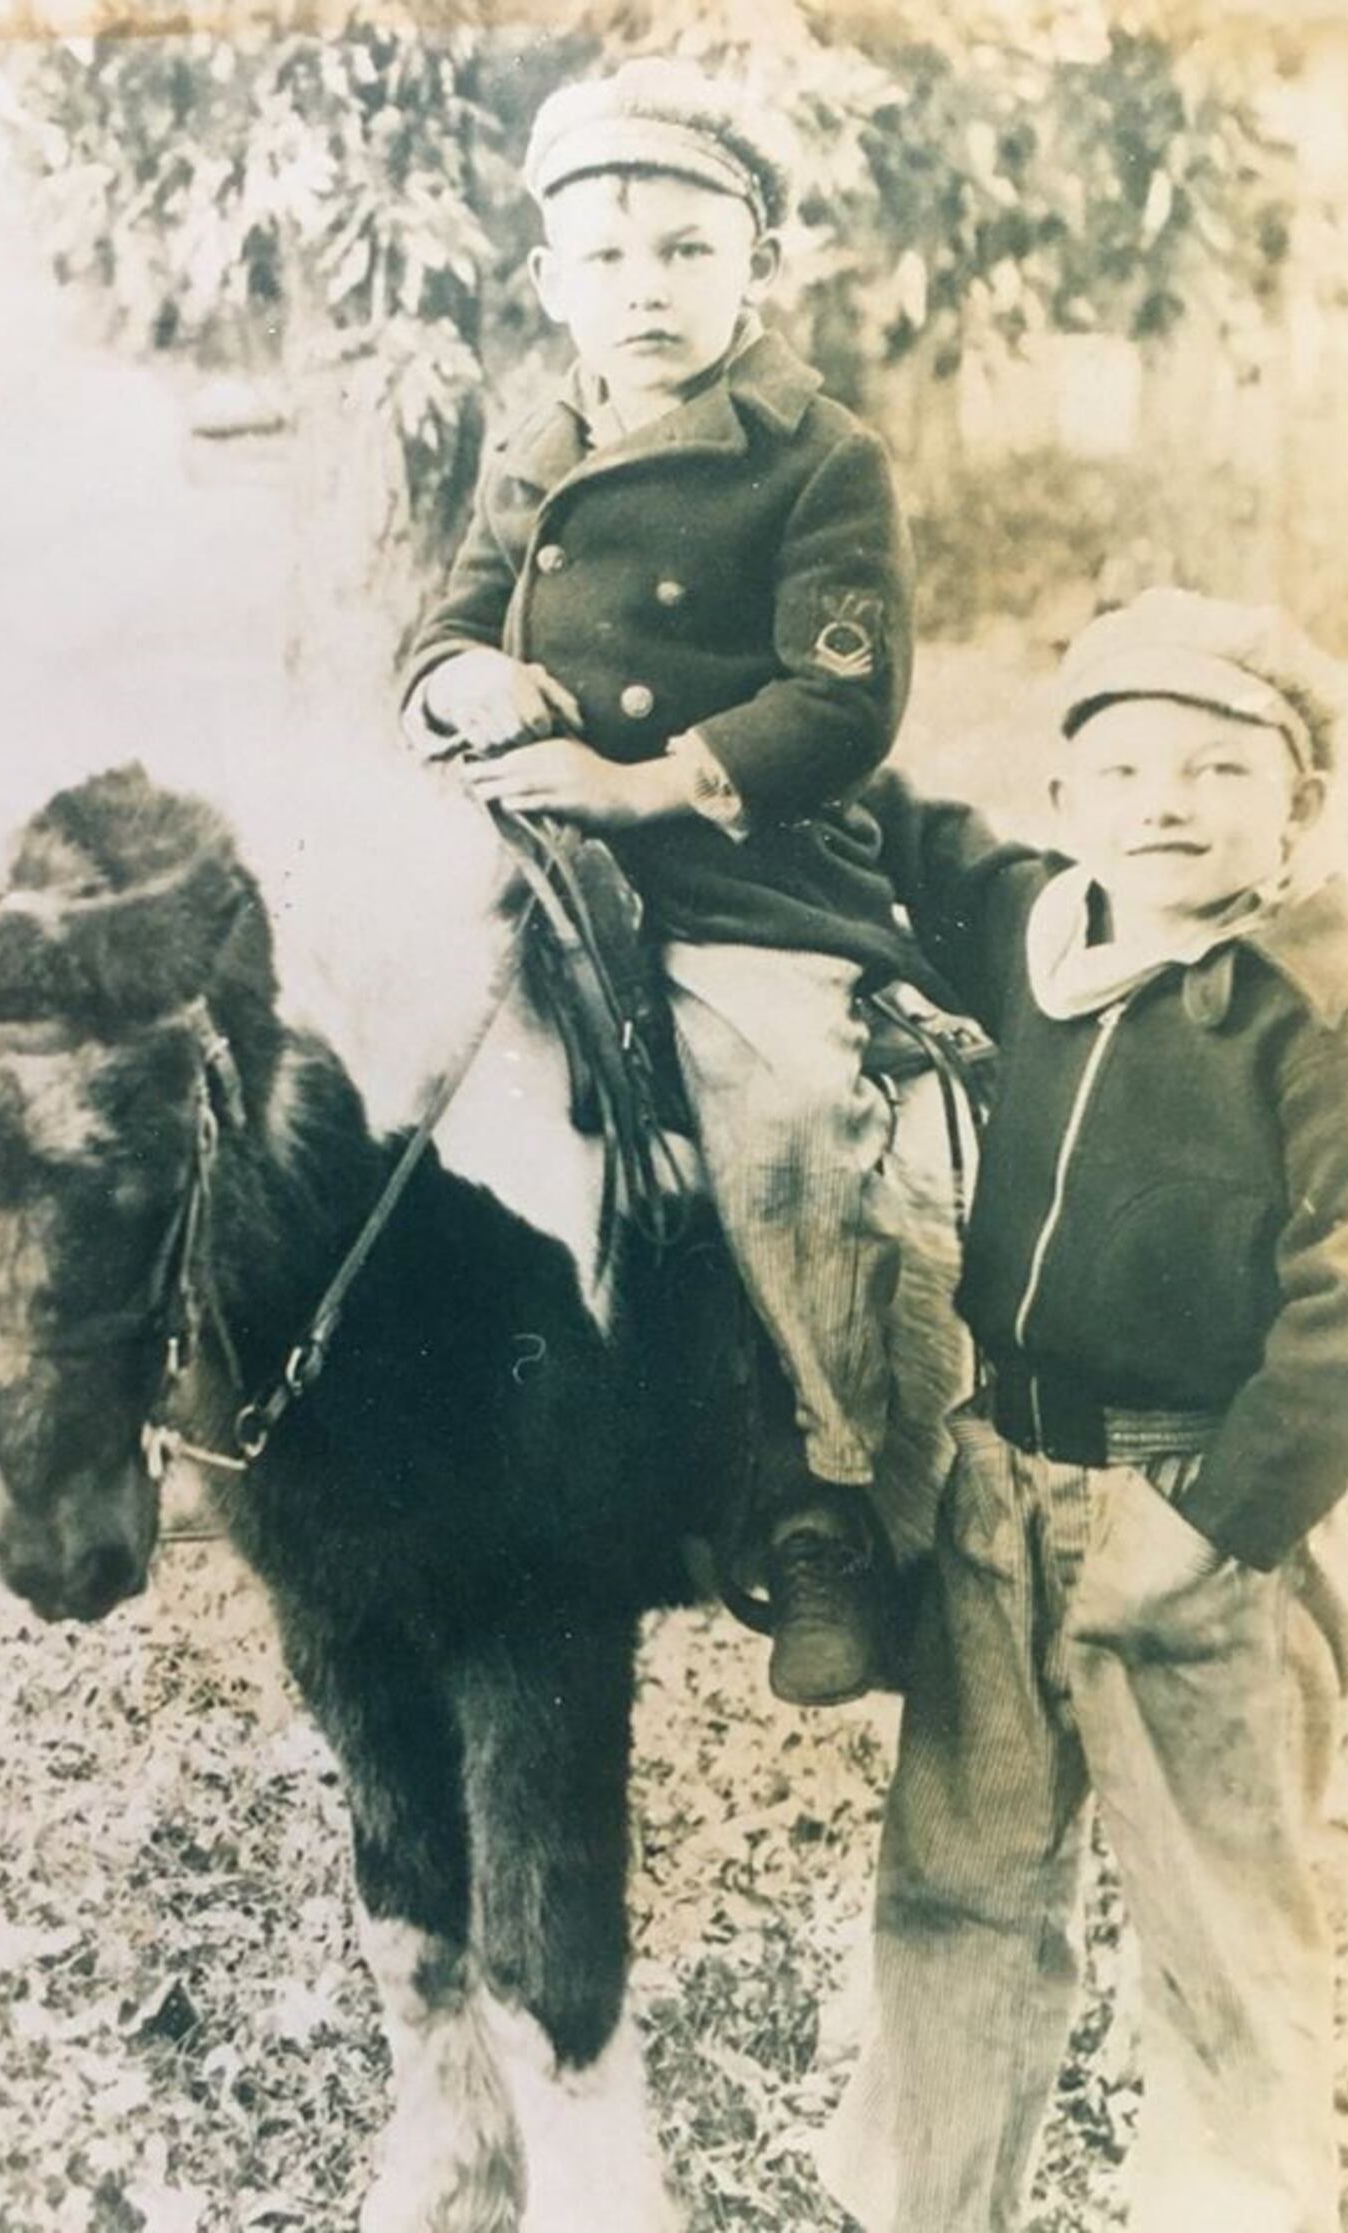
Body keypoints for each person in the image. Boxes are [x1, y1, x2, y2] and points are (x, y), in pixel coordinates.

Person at [818, 586, 1348, 2233]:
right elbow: (908, 827)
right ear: (1069, 805)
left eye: (1218, 772)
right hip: (1003, 1485)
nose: (1165, 804)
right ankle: (931, 2198)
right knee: (960, 1880)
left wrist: (1213, 1531)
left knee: (1213, 1916)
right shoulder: (1047, 938)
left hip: (1195, 1517)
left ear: (1298, 805)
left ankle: (1242, 2206)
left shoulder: (1313, 1017)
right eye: (1125, 770)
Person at [400, 59, 963, 1707]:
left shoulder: (817, 453)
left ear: (758, 265)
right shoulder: (537, 439)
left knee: (782, 1110)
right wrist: (465, 690)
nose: (645, 288)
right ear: (548, 277)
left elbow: (840, 697)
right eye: (610, 254)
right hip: (529, 842)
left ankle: (832, 1498)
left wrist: (647, 776)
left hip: (742, 865)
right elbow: (440, 625)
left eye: (688, 249)